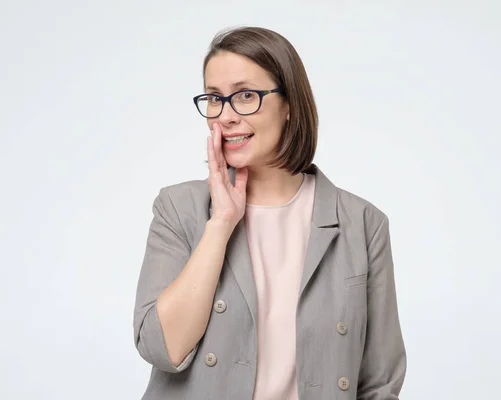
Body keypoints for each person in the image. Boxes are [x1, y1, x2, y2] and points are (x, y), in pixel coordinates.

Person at [133, 26, 406, 400]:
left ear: (289, 103)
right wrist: (222, 222)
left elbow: (380, 382)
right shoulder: (179, 209)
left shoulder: (362, 224)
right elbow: (161, 348)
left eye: (246, 96)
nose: (225, 115)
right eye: (215, 98)